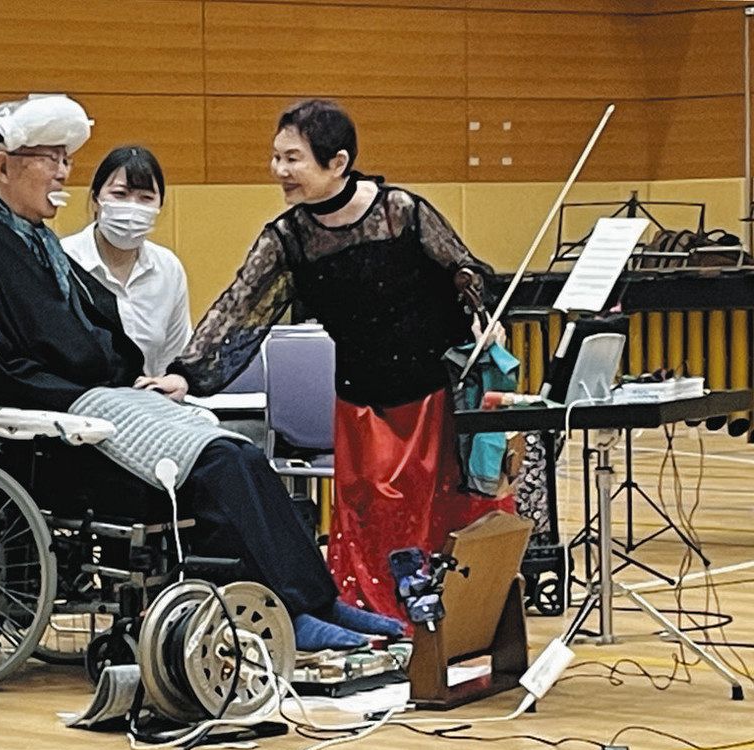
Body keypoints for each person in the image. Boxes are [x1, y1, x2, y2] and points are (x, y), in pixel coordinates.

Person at [0, 98, 405, 651]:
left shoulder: (38, 246)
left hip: (97, 408)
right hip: (53, 439)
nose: (62, 172)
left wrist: (127, 384)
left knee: (239, 451)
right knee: (222, 464)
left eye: (66, 159)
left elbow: (100, 338)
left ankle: (316, 600)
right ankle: (289, 609)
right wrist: (91, 393)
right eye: (49, 159)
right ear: (2, 167)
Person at [141, 99, 513, 626]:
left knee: (442, 511)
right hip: (361, 404)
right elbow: (239, 309)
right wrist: (186, 373)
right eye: (276, 157)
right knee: (370, 515)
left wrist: (481, 314)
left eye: (292, 158)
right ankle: (383, 625)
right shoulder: (288, 238)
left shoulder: (400, 212)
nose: (279, 170)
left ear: (337, 162)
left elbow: (463, 267)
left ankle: (455, 624)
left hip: (431, 397)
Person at [61, 146, 190, 377]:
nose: (133, 207)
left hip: (148, 396)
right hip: (79, 396)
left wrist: (174, 381)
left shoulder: (168, 269)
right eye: (120, 194)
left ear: (159, 206)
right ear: (96, 199)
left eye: (146, 198)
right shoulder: (61, 260)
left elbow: (174, 358)